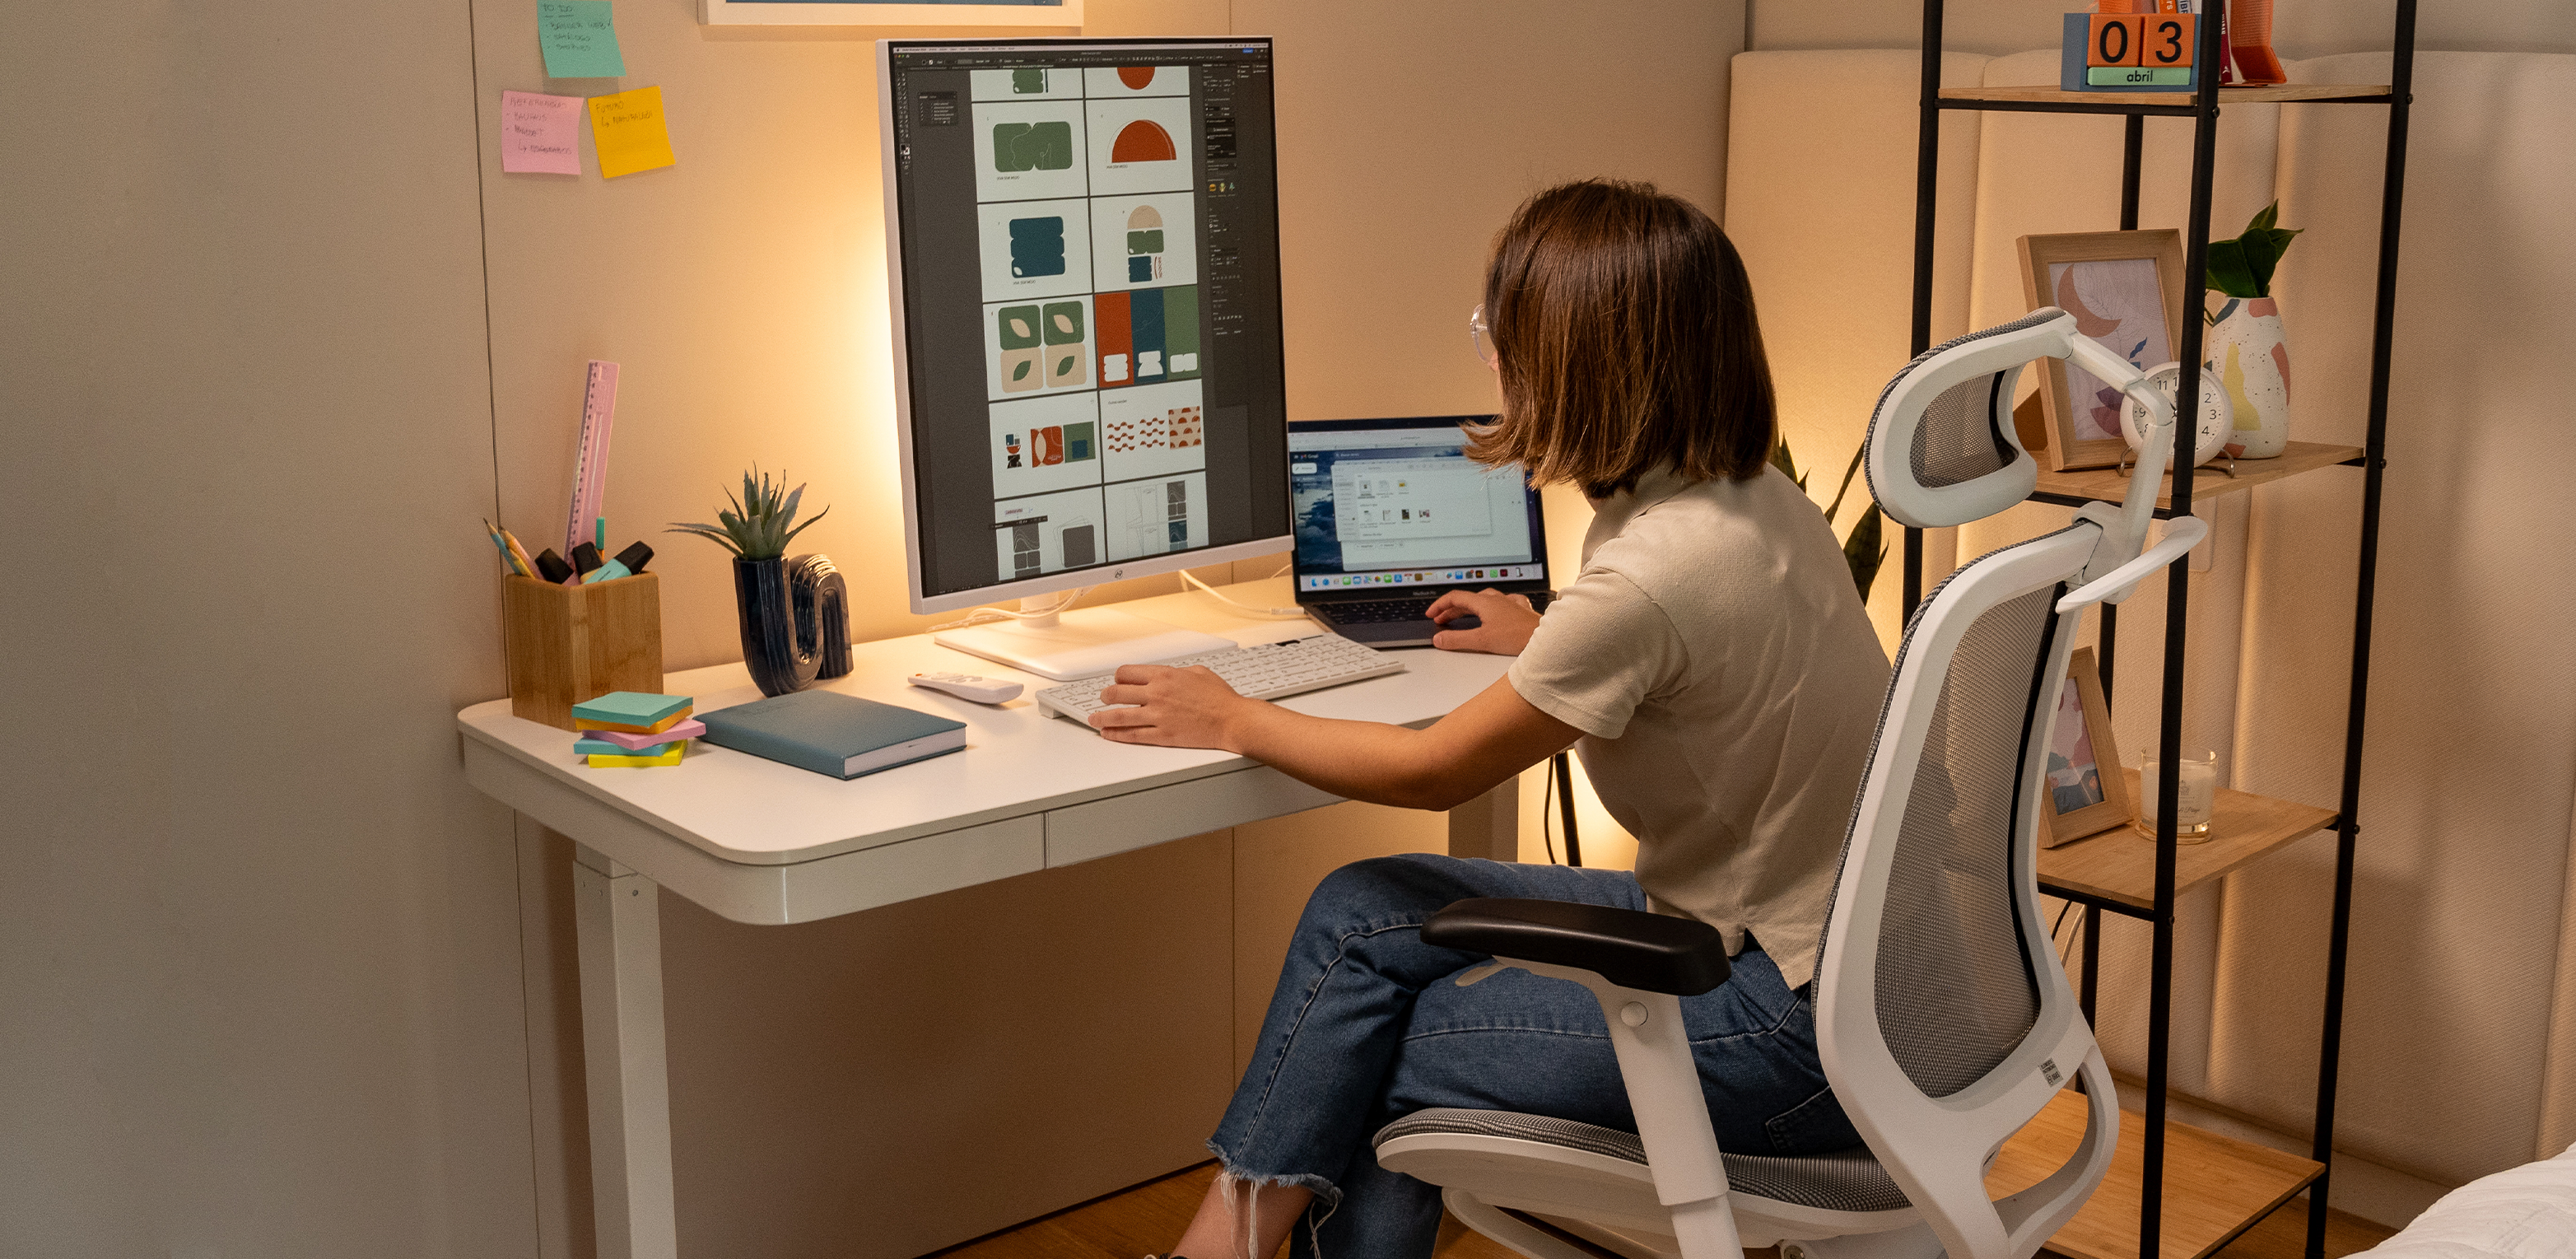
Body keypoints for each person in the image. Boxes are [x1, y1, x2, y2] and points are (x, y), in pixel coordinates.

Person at [1092, 179, 1892, 1259]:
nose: (1490, 357)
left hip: (1780, 1032)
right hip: (1855, 982)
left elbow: (1434, 771)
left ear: (1577, 361)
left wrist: (1233, 716)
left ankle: (1215, 1251)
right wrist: (1548, 638)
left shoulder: (1653, 572)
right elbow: (1707, 654)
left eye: (1500, 332)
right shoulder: (1758, 500)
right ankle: (1224, 1245)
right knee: (1360, 909)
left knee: (1375, 1051)